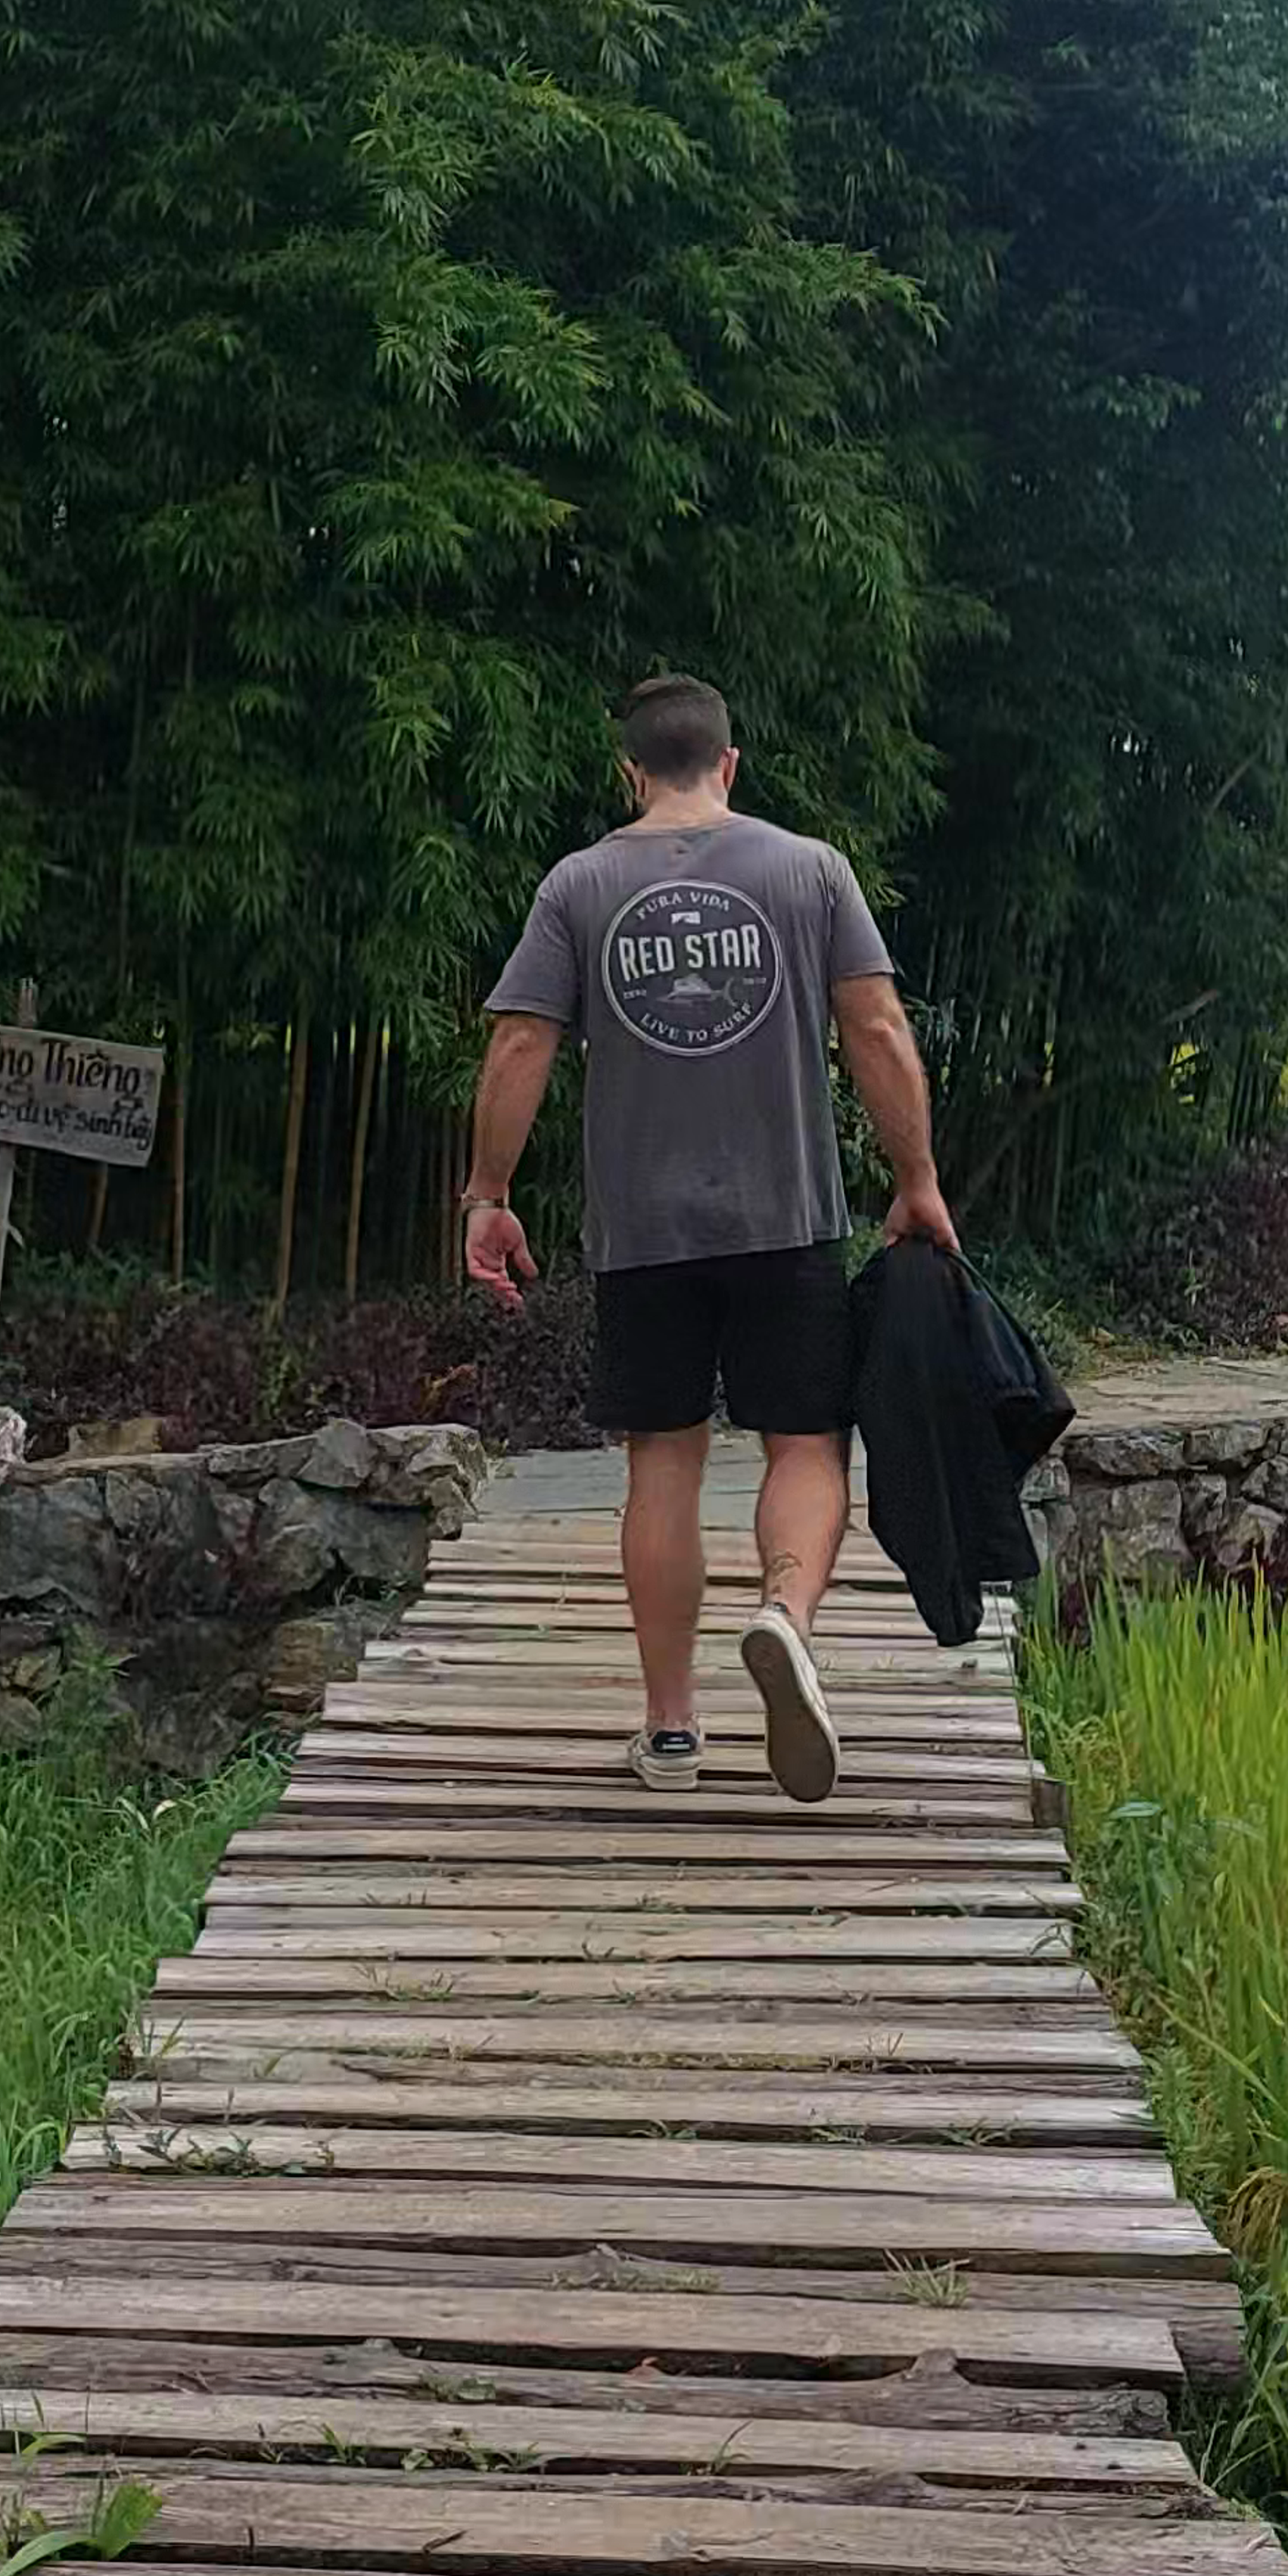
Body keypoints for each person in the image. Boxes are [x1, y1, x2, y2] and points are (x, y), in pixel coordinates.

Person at [462, 674, 957, 1799]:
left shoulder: (579, 884)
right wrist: (917, 1177)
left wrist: (487, 1193)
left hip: (643, 1232)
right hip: (786, 1219)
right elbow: (876, 1026)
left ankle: (673, 1730)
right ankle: (785, 1611)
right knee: (805, 1446)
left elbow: (518, 1048)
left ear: (631, 770)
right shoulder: (808, 869)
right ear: (729, 764)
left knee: (664, 1464)